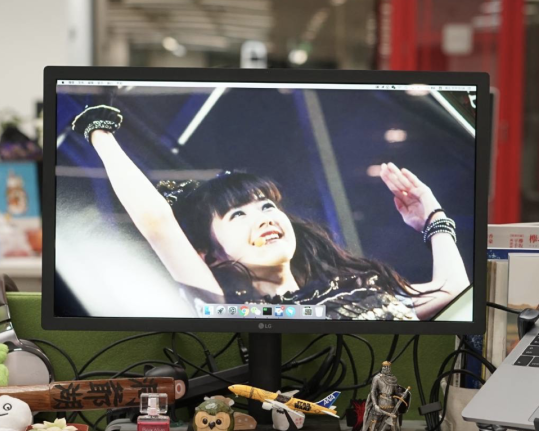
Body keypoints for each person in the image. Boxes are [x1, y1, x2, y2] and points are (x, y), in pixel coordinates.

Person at [70, 104, 470, 321]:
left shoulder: (364, 288)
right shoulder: (223, 310)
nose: (263, 216)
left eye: (266, 205)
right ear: (210, 255)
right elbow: (158, 223)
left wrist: (432, 218)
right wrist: (99, 133)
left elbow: (453, 293)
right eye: (237, 215)